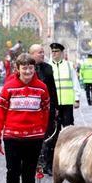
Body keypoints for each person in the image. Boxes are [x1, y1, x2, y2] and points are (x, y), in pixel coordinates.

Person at [0, 53, 50, 183]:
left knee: (29, 174)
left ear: (34, 68)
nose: (28, 71)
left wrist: (42, 130)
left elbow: (46, 110)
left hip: (34, 138)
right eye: (24, 68)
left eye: (30, 68)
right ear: (18, 69)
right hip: (12, 137)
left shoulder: (41, 88)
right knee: (13, 173)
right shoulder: (9, 88)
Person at [29, 44, 58, 175]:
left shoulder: (48, 68)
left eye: (42, 52)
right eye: (39, 52)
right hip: (32, 108)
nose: (42, 54)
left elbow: (53, 89)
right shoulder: (27, 68)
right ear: (32, 54)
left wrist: (56, 107)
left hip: (48, 107)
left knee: (49, 136)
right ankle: (35, 162)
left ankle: (48, 164)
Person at [49, 42, 80, 126]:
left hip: (67, 103)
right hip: (54, 103)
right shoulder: (48, 66)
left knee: (68, 128)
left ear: (62, 53)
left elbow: (75, 82)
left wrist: (77, 99)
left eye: (56, 51)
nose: (54, 53)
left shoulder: (69, 65)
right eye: (52, 51)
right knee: (55, 128)